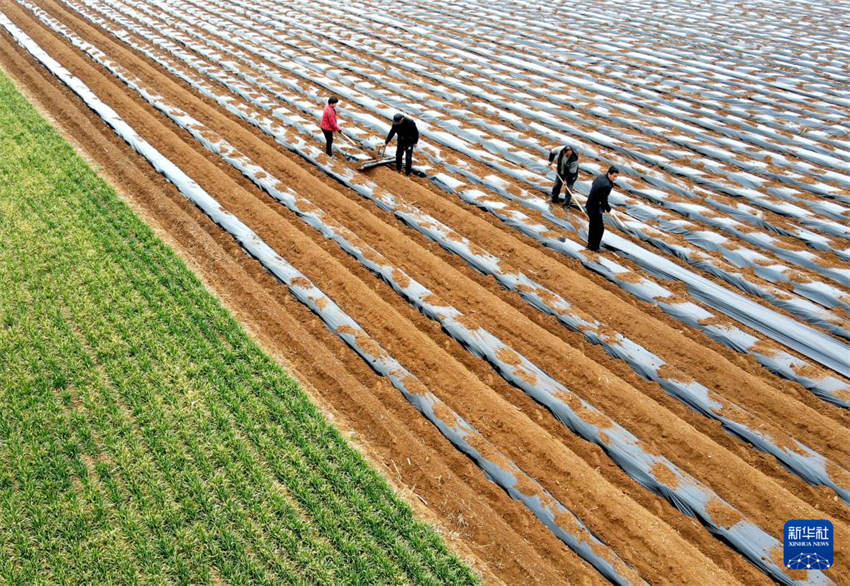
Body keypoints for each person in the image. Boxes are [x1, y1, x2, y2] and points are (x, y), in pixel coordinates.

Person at [585, 166, 619, 251]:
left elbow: (594, 186)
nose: (615, 178)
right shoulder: (606, 185)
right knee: (599, 229)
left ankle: (590, 245)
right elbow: (604, 200)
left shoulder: (600, 177)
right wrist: (609, 210)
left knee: (593, 226)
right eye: (614, 176)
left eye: (616, 176)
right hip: (595, 208)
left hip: (590, 204)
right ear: (609, 174)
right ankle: (594, 247)